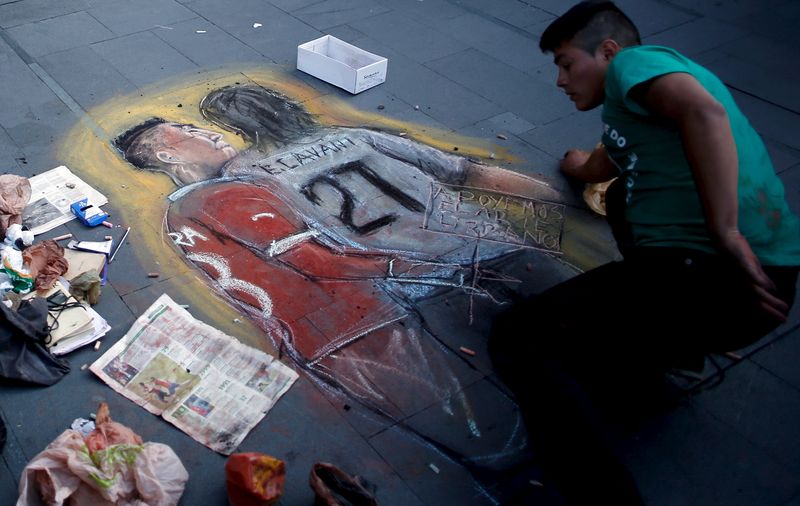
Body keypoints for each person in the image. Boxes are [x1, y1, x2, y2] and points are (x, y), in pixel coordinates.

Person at [113, 86, 575, 491]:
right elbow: (467, 173)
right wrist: (573, 200)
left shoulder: (246, 180)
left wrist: (399, 268)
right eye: (185, 129)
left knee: (497, 411)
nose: (208, 133)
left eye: (203, 124)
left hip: (415, 294)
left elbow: (311, 255)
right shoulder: (348, 138)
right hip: (481, 255)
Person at [488, 0, 800, 505]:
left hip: (719, 271)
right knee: (617, 197)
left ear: (608, 51)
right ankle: (653, 354)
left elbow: (702, 110)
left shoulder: (638, 63)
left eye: (567, 64)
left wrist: (726, 232)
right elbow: (601, 165)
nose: (560, 81)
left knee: (518, 337)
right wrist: (573, 165)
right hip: (730, 283)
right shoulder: (631, 111)